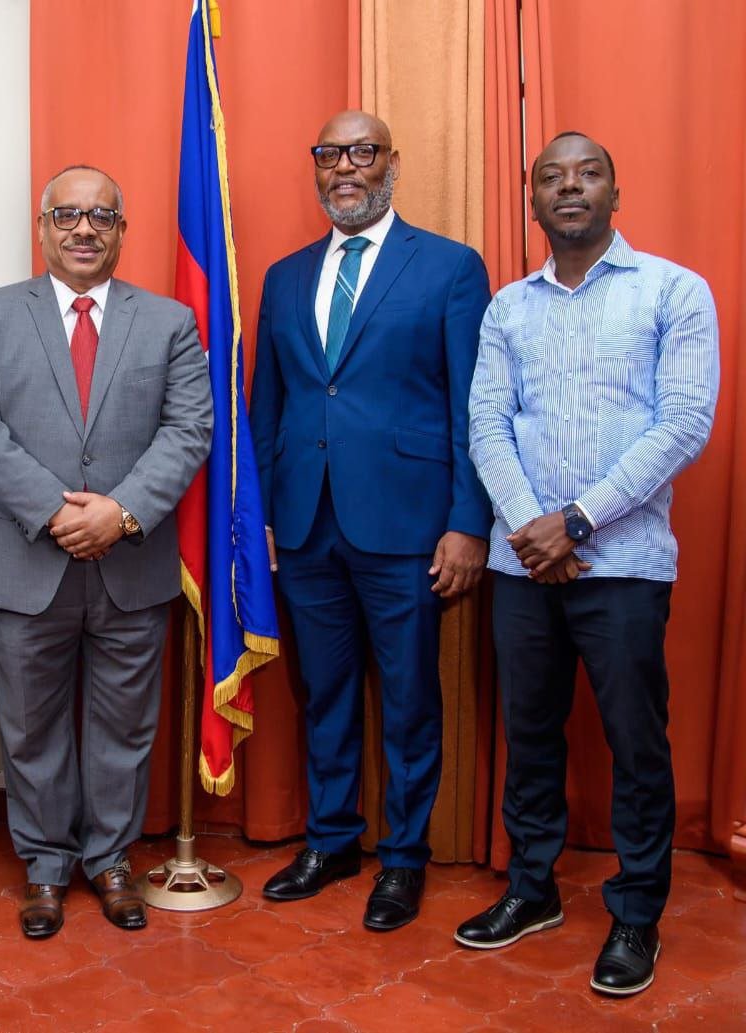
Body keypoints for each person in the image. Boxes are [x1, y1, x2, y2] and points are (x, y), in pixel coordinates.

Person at [459, 131, 718, 997]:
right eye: (550, 177)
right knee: (528, 735)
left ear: (617, 192)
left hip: (626, 563)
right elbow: (487, 424)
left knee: (635, 744)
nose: (569, 187)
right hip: (520, 562)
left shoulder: (674, 293)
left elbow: (683, 422)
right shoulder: (508, 308)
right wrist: (534, 527)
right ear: (532, 201)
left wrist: (575, 520)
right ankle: (531, 890)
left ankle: (637, 911)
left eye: (588, 174)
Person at [0, 165, 212, 939]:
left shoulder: (169, 323)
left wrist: (121, 513)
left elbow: (188, 428)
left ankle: (112, 860)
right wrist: (57, 513)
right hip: (28, 560)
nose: (84, 228)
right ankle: (45, 866)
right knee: (30, 727)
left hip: (132, 562)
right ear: (42, 227)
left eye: (101, 216)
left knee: (125, 726)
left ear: (123, 230)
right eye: (67, 215)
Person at [249, 111, 492, 931]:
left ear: (393, 162)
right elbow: (266, 409)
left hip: (410, 528)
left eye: (361, 152)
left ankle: (405, 858)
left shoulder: (452, 269)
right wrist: (262, 522)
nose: (344, 168)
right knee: (323, 693)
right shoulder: (284, 277)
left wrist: (468, 520)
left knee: (412, 699)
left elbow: (472, 407)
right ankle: (331, 839)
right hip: (305, 525)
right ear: (315, 169)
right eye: (329, 155)